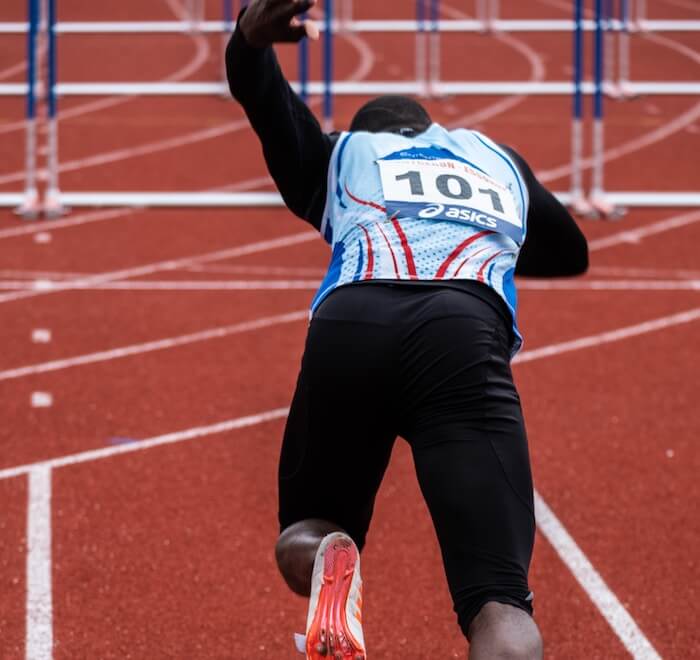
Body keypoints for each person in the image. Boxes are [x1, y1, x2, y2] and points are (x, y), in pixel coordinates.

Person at [226, 1, 588, 658]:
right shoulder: (496, 160)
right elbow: (571, 252)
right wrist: (490, 236)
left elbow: (267, 106)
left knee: (303, 529)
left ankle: (326, 558)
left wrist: (249, 39)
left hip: (351, 322)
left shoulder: (340, 156)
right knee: (498, 602)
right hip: (462, 331)